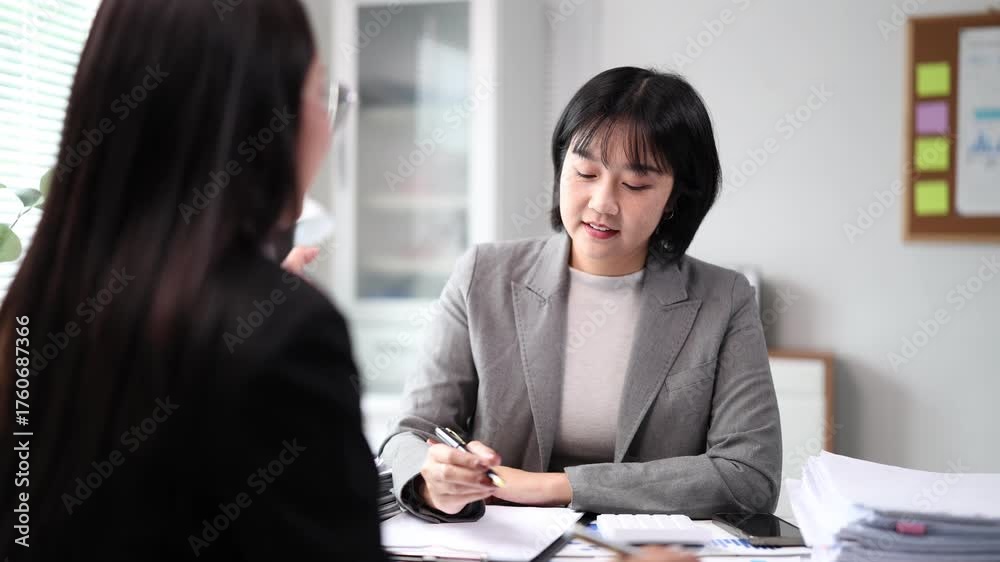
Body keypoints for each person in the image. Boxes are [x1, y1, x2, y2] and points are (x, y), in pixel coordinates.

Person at [0, 0, 384, 559]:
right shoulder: (289, 335)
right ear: (264, 119)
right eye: (320, 93)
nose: (327, 127)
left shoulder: (28, 312)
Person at [380, 66, 782, 522]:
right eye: (585, 172)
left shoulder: (724, 299)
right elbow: (409, 435)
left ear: (674, 197)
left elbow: (750, 477)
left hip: (648, 550)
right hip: (501, 543)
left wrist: (555, 487)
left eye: (635, 185)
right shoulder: (483, 276)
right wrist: (433, 483)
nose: (602, 203)